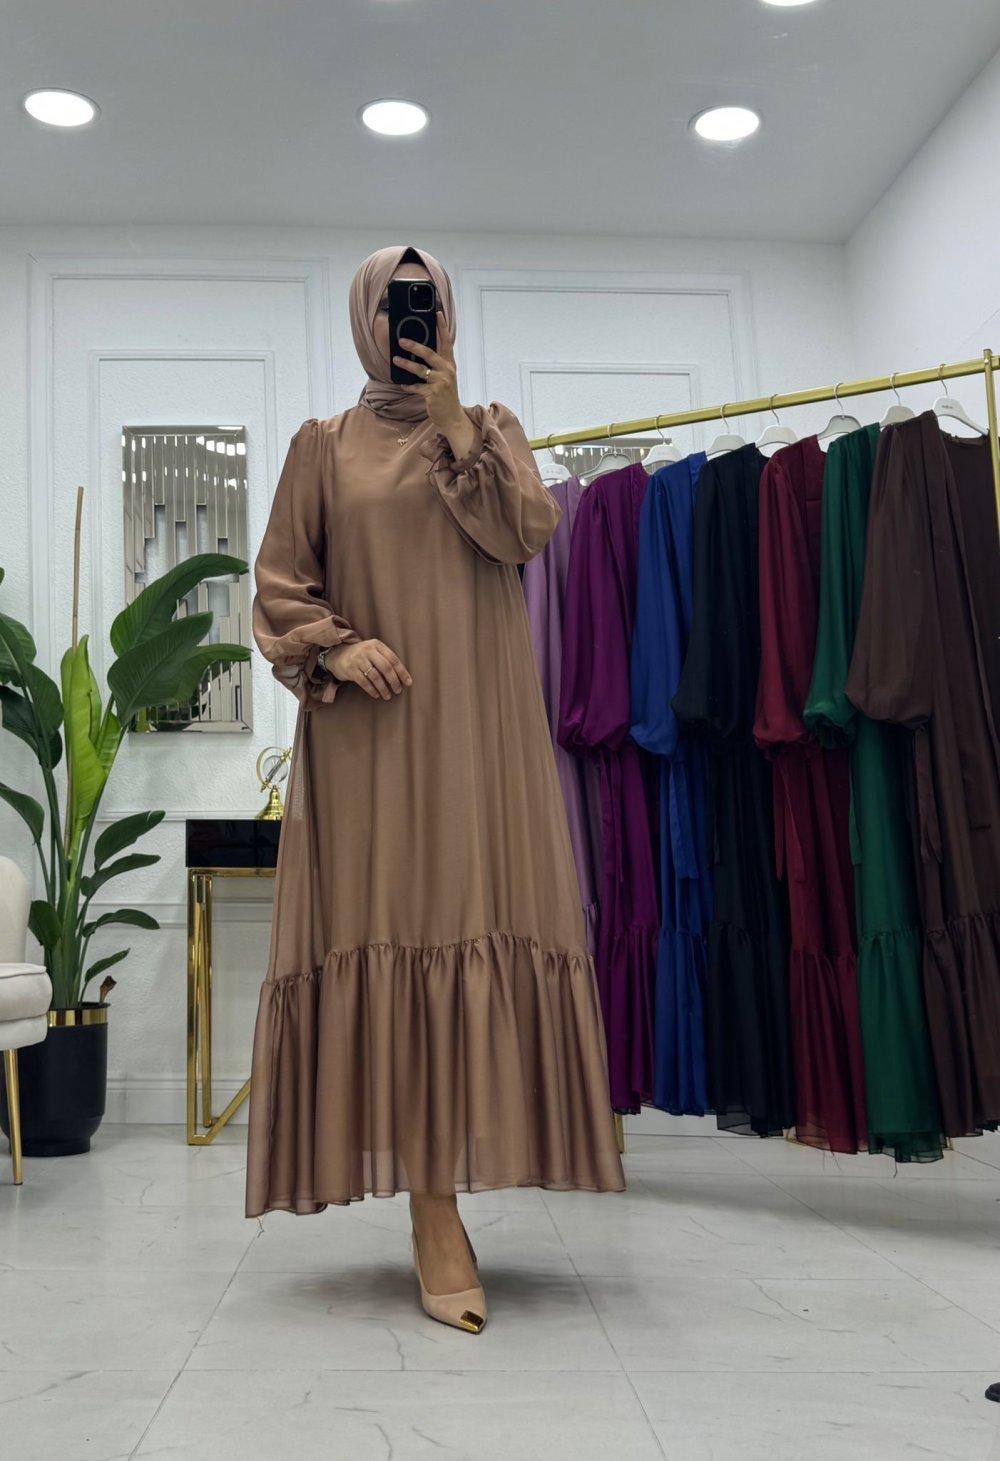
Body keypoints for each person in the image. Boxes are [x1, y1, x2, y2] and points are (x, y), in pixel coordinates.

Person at [245, 244, 626, 1333]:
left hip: (480, 732)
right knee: (392, 930)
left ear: (447, 318)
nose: (412, 320)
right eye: (396, 303)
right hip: (370, 740)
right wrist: (338, 644)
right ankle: (431, 1209)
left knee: (473, 925)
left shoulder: (490, 429)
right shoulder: (321, 446)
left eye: (430, 303)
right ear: (364, 317)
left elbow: (527, 533)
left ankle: (447, 1190)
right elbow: (277, 588)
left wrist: (456, 420)